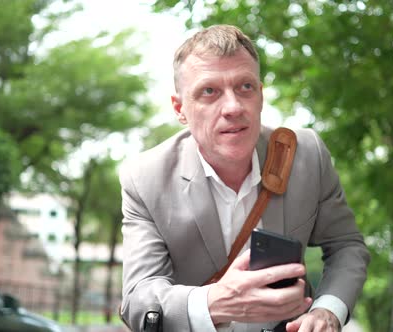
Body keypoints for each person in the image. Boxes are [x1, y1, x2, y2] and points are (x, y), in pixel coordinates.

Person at [119, 24, 370, 332]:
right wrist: (215, 302)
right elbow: (137, 298)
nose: (233, 107)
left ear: (261, 96)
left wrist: (326, 311)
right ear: (180, 109)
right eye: (209, 91)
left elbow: (346, 245)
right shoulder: (145, 178)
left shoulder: (307, 155)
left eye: (245, 87)